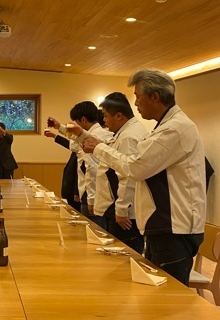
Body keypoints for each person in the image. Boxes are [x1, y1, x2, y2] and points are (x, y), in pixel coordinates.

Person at [82, 69, 206, 285]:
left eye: (138, 96)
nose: (136, 103)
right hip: (165, 225)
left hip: (173, 227)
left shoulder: (174, 129)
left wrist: (99, 149)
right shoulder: (166, 126)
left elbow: (136, 167)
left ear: (154, 97)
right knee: (156, 291)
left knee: (170, 295)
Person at [82, 92, 147, 252]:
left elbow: (128, 175)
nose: (103, 120)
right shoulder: (125, 132)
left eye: (105, 116)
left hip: (124, 213)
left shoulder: (129, 136)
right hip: (117, 207)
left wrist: (122, 209)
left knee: (124, 255)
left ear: (118, 116)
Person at [47, 102, 112, 227]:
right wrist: (59, 127)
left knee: (94, 232)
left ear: (83, 119)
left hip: (93, 195)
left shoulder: (96, 136)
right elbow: (75, 143)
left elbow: (92, 169)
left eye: (75, 122)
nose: (74, 126)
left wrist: (91, 199)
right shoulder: (93, 134)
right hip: (90, 194)